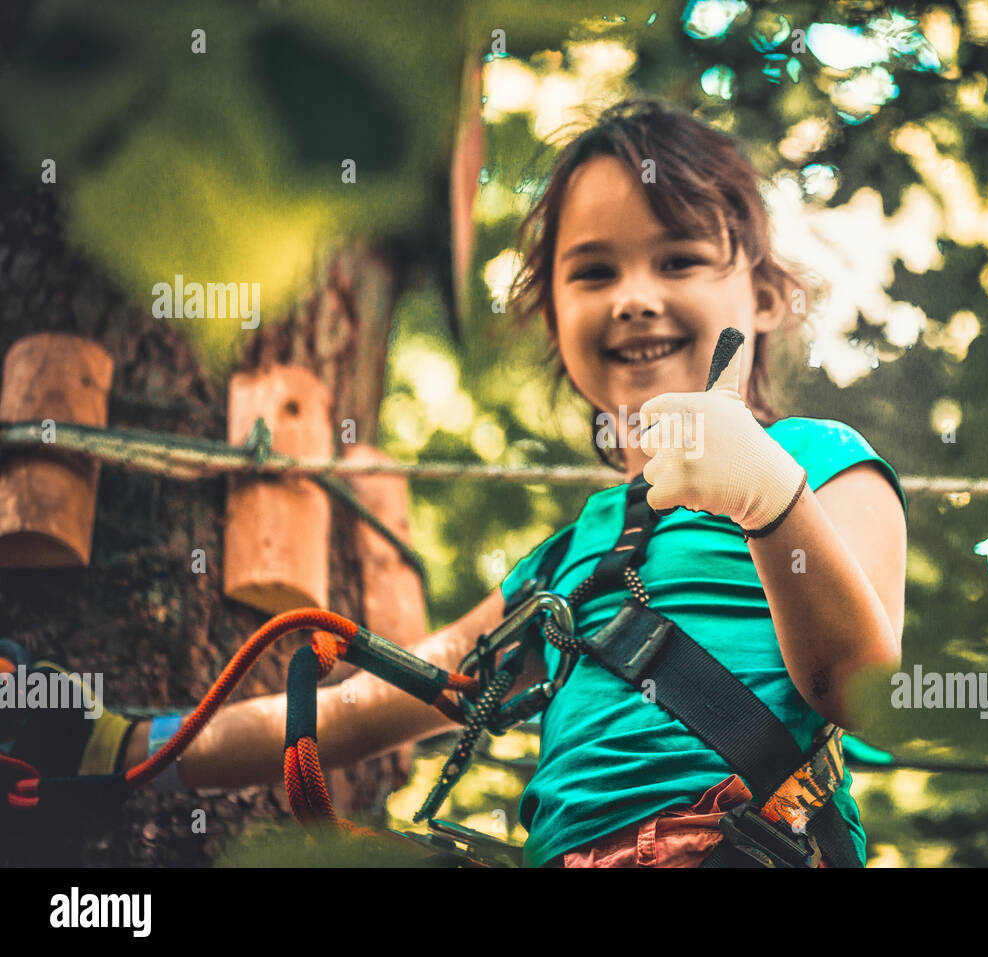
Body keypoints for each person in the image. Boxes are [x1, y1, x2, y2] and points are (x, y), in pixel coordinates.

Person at [22, 98, 909, 867]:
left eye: (678, 260)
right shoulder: (568, 560)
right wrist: (128, 742)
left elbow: (855, 680)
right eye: (594, 271)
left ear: (762, 297)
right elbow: (374, 702)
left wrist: (769, 498)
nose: (635, 296)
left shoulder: (820, 459)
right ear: (552, 313)